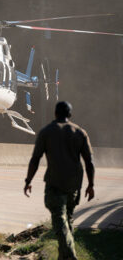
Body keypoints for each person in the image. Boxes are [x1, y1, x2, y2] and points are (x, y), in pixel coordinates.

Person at [24, 101, 95, 260]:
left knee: (60, 222)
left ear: (55, 114)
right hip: (74, 185)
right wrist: (91, 185)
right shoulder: (80, 132)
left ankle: (70, 257)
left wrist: (28, 180)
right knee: (67, 220)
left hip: (55, 184)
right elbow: (89, 162)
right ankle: (63, 257)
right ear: (69, 114)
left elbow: (35, 159)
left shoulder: (47, 132)